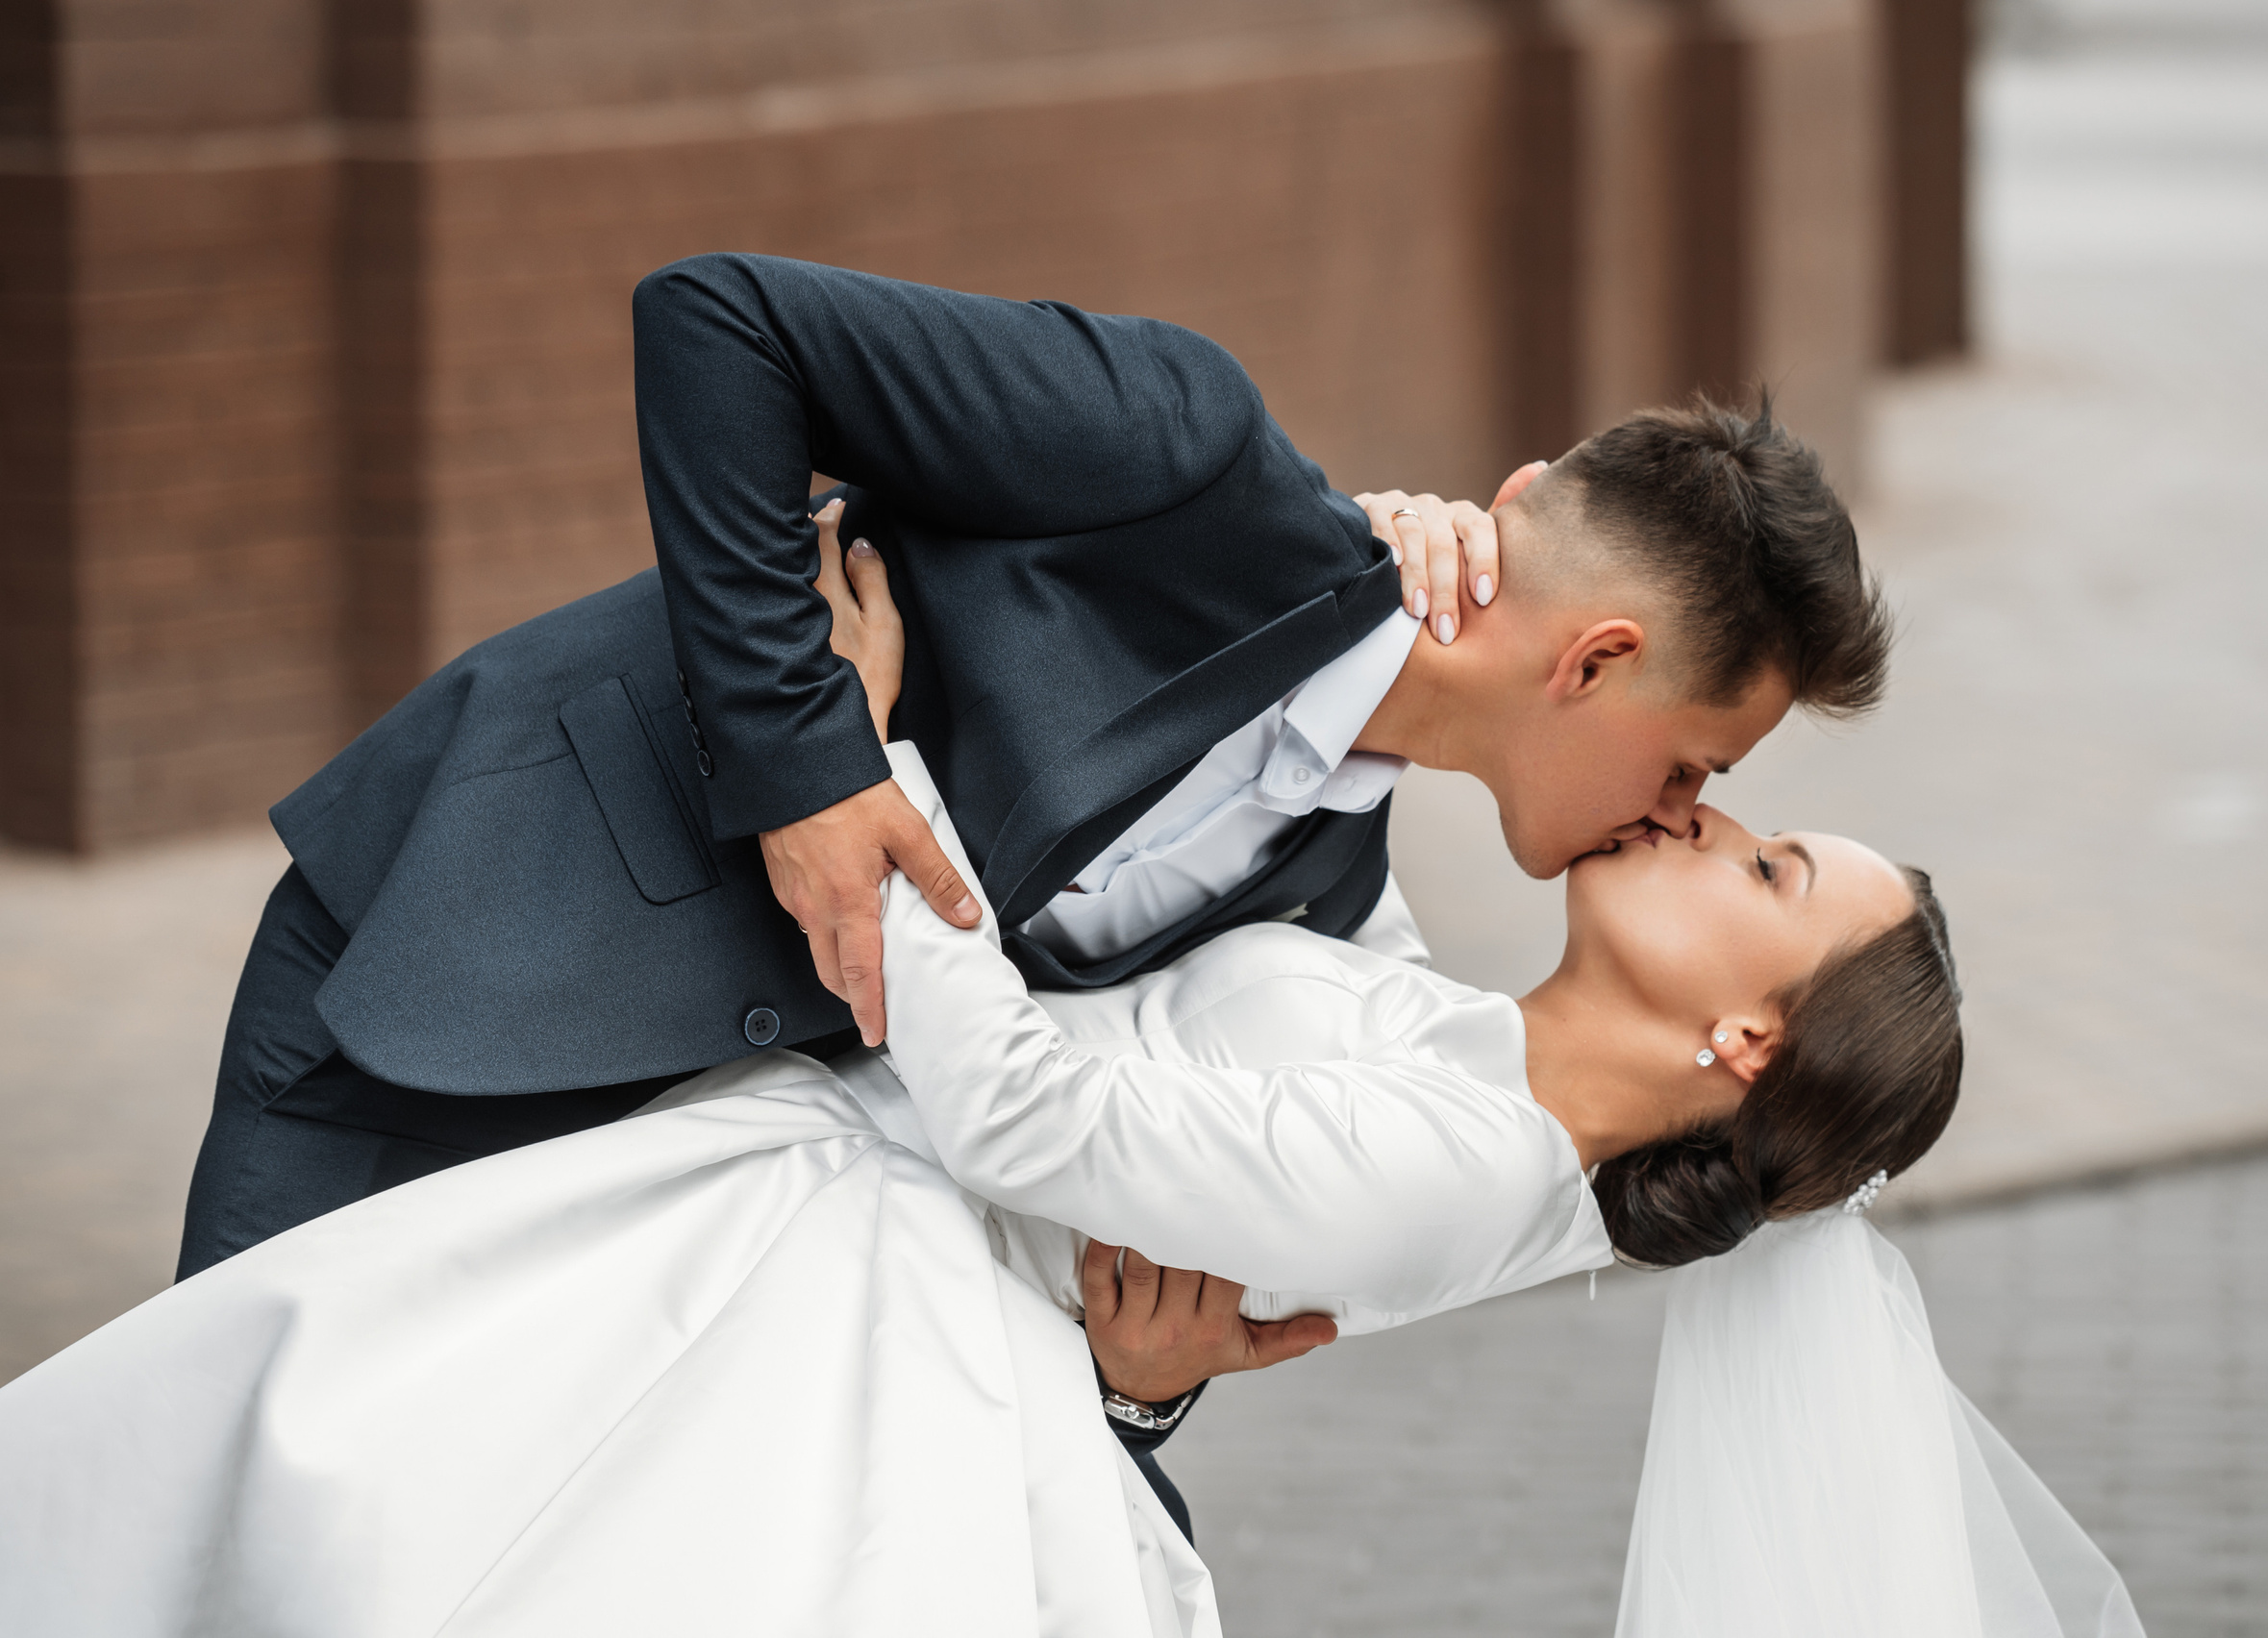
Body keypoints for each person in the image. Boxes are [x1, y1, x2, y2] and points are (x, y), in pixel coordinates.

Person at [0, 554, 2139, 1637]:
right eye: (1728, 798)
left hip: (854, 1292)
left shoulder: (1453, 1163)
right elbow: (1310, 953)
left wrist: (873, 744)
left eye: (1765, 866)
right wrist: (1396, 686)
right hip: (838, 1254)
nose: (1703, 812)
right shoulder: (1476, 1073)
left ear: (1744, 1044)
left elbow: (1028, 1116)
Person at [172, 256, 1889, 1507]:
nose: (1674, 817)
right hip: (460, 969)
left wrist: (1143, 1389)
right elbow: (720, 325)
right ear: (1590, 661)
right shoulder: (1185, 457)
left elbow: (1217, 1185)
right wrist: (818, 761)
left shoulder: (1333, 909)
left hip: (689, 1231)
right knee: (205, 1510)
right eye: (1696, 768)